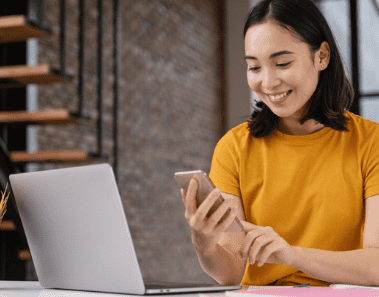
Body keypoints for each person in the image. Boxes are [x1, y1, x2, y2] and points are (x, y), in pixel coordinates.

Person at [180, 0, 379, 287]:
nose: (268, 82)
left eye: (282, 63)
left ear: (322, 56)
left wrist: (291, 255)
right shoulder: (234, 148)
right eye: (254, 67)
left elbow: (375, 266)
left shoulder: (370, 142)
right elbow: (230, 273)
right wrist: (205, 243)